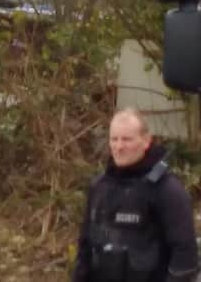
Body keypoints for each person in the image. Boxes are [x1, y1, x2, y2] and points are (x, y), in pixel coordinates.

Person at [72, 108, 198, 282]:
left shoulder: (167, 190)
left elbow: (185, 257)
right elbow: (85, 248)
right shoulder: (99, 187)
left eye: (127, 139)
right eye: (114, 139)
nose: (119, 146)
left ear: (146, 141)